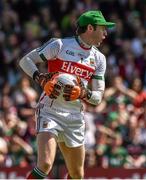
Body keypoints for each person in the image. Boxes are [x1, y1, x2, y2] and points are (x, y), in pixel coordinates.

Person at [19, 10, 115, 179]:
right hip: (50, 110)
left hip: (74, 116)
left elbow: (98, 97)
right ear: (90, 28)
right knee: (45, 164)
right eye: (102, 28)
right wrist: (41, 79)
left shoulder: (100, 59)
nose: (106, 33)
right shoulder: (59, 45)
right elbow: (25, 60)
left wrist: (83, 93)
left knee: (77, 174)